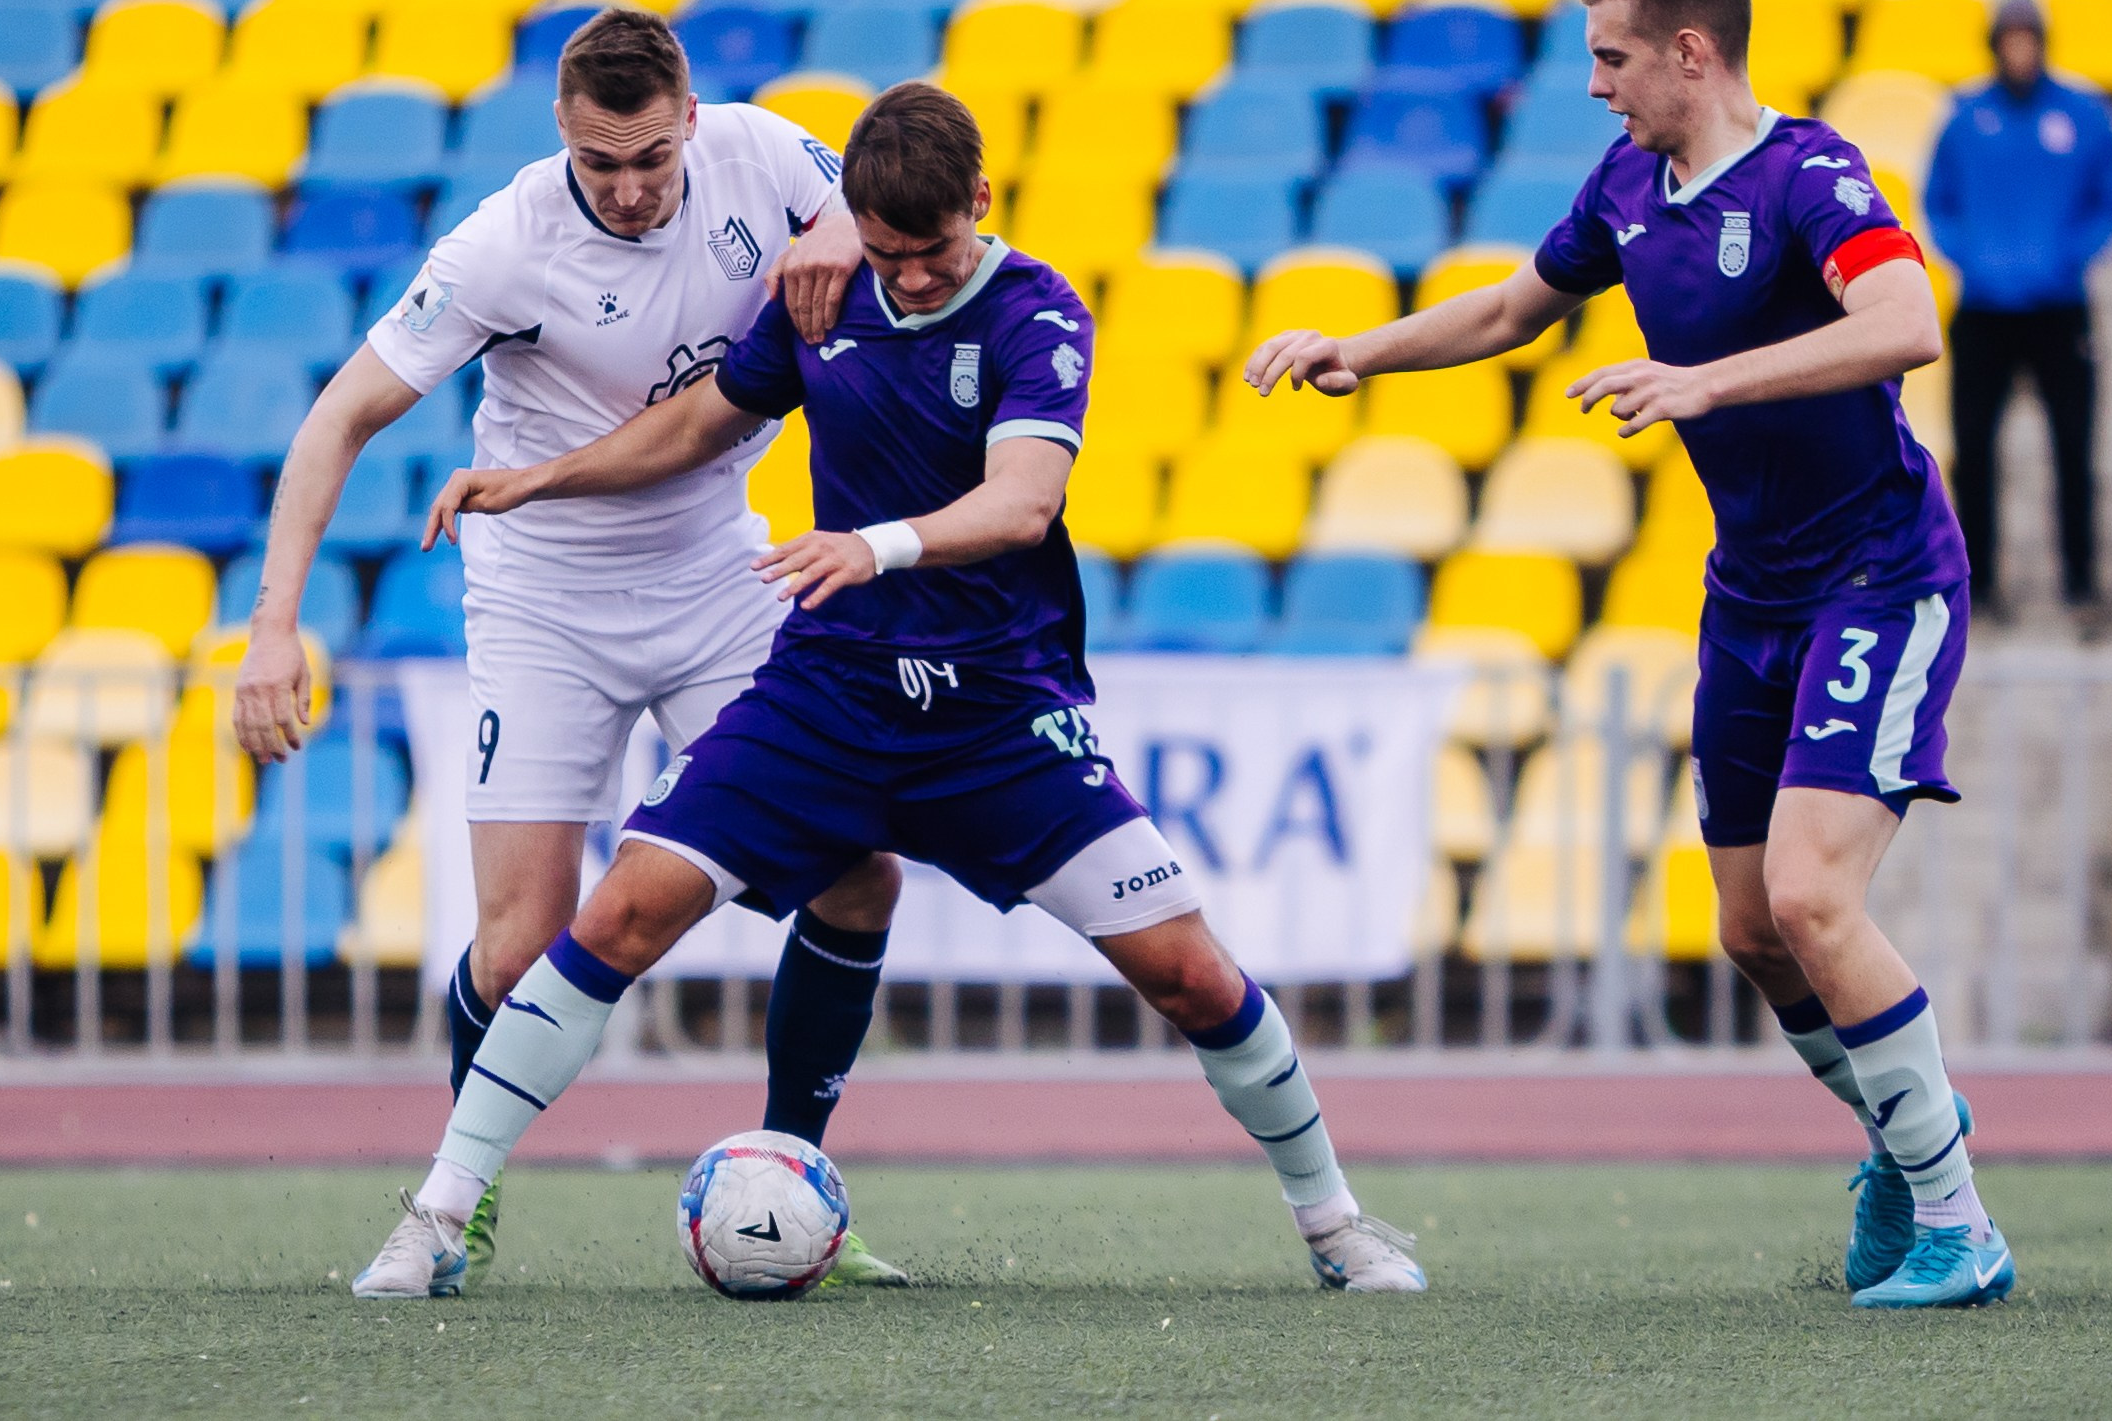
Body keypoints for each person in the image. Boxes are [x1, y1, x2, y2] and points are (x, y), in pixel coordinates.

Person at [347, 81, 1428, 1300]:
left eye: (930, 253)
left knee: (1190, 972)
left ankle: (1335, 1223)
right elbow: (701, 421)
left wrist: (879, 544)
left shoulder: (1037, 312)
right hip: (829, 693)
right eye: (884, 251)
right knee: (616, 918)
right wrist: (537, 477)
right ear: (850, 220)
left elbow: (1023, 501)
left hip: (994, 711)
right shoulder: (822, 292)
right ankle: (437, 1213)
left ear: (980, 201)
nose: (908, 279)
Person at [1245, 0, 2010, 1309]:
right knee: (1748, 929)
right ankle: (1908, 1141)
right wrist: (1354, 349)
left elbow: (1905, 320)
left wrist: (1710, 385)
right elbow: (1508, 310)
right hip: (1754, 591)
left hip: (1879, 575)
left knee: (1812, 895)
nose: (1595, 85)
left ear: (1689, 52)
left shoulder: (1806, 173)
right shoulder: (1626, 184)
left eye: (1611, 58)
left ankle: (1962, 1222)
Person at [233, 8, 908, 1286]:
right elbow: (338, 419)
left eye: (653, 156)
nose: (634, 187)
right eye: (604, 164)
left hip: (719, 575)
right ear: (562, 136)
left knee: (856, 877)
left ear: (691, 117)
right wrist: (275, 625)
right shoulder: (504, 244)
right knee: (520, 943)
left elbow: (893, 199)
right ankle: (457, 1201)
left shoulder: (766, 158)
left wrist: (833, 224)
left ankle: (791, 1181)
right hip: (546, 597)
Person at [1925, 0, 2112, 620]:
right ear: (1994, 44)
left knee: (2072, 449)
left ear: (2043, 43)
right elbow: (1939, 204)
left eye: (2028, 38)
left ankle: (2081, 584)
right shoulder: (1963, 118)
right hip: (1984, 312)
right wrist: (1976, 259)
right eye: (2008, 39)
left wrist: (2068, 257)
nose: (2019, 50)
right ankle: (1980, 586)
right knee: (1975, 452)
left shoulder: (2083, 114)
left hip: (2058, 310)